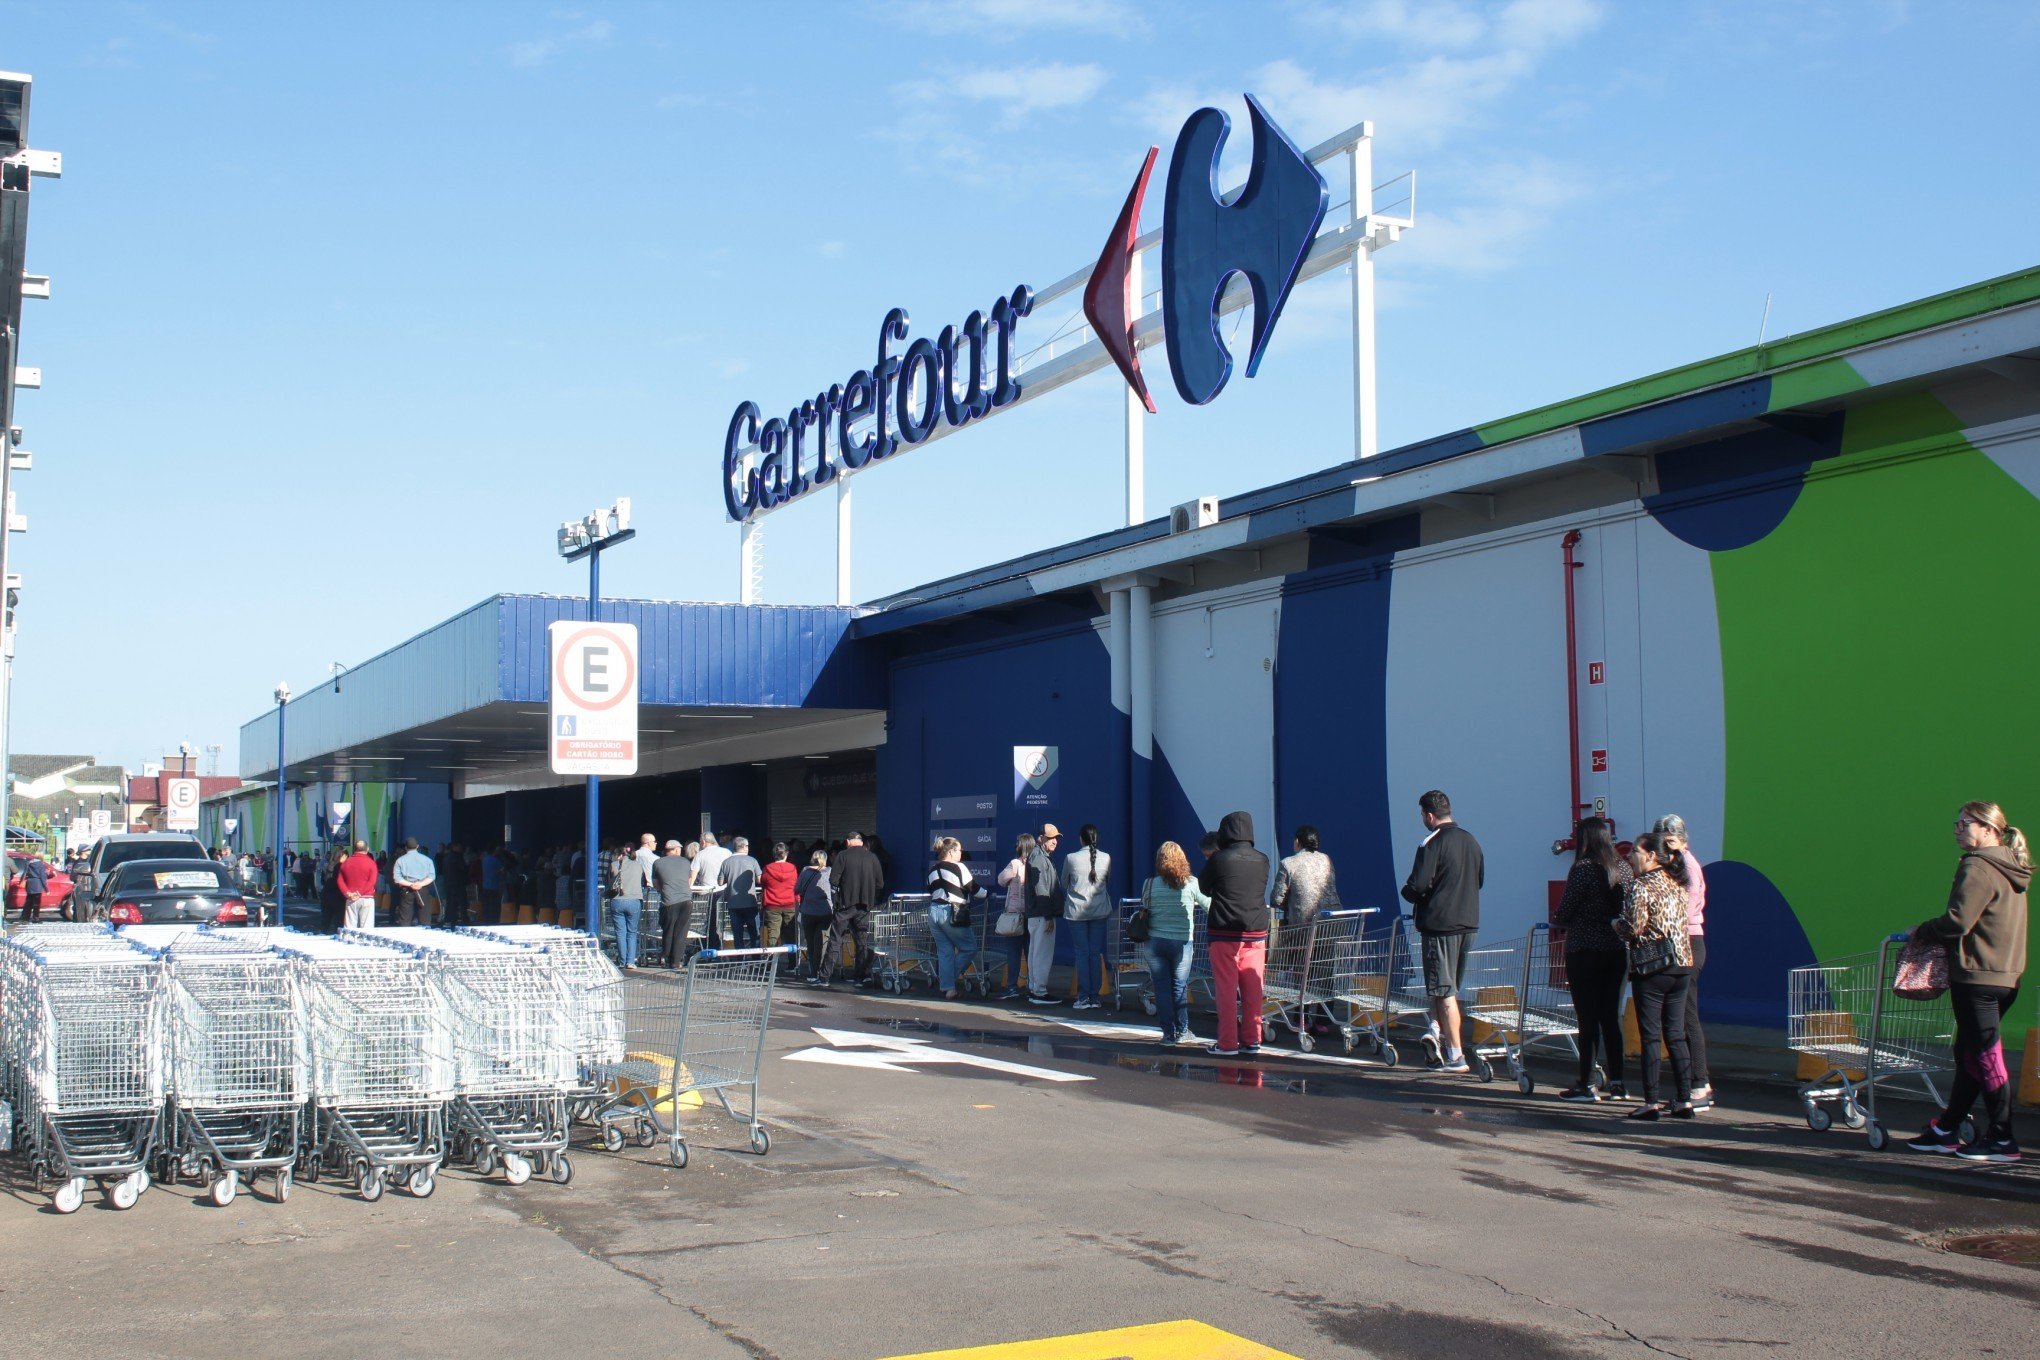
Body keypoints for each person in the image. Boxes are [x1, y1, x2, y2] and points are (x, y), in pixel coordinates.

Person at [1906, 801, 2029, 1163]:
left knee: (1986, 1056)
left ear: (1989, 829)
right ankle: (1947, 1128)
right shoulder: (2011, 865)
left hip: (1977, 975)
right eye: (1956, 823)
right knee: (1970, 1053)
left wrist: (1923, 931)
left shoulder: (1977, 865)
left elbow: (1958, 921)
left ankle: (2003, 1139)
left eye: (1966, 824)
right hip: (2005, 975)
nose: (1958, 829)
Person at [1400, 790, 1484, 1074]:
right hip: (1468, 922)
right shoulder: (1471, 841)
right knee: (1446, 987)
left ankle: (1456, 1055)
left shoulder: (1431, 843)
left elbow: (1419, 885)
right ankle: (1435, 1031)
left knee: (1443, 990)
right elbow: (1480, 879)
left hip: (1439, 925)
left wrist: (1408, 892)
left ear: (1429, 815)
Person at [1617, 831, 1696, 1121]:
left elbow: (1633, 928)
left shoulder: (1641, 886)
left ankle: (1651, 1101)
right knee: (1675, 1034)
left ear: (1650, 855)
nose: (1629, 856)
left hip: (1652, 967)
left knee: (1651, 1036)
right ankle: (1684, 1099)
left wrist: (1616, 924)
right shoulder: (1678, 883)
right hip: (1682, 964)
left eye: (1635, 852)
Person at [1552, 817, 1632, 1102]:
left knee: (1587, 1020)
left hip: (1584, 951)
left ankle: (1586, 1083)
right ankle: (1619, 1083)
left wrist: (1558, 920)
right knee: (1611, 1017)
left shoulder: (1583, 869)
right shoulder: (1623, 867)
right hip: (1615, 950)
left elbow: (1565, 911)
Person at [1200, 811, 1271, 1056]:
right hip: (1256, 930)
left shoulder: (1219, 859)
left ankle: (1228, 1043)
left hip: (1223, 931)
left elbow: (1204, 887)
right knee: (1253, 988)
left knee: (1226, 989)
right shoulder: (1262, 859)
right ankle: (1253, 1040)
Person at [1654, 814, 1712, 1108]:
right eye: (1662, 842)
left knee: (1686, 1015)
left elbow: (1684, 908)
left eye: (1672, 841)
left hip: (1687, 941)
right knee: (1678, 1015)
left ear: (1684, 841)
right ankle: (1694, 1083)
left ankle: (1699, 1083)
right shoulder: (1672, 865)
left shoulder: (1686, 865)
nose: (1667, 847)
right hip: (1681, 941)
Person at [1142, 841, 1211, 1046]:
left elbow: (1146, 907)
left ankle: (1168, 1034)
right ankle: (1183, 1030)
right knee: (1179, 987)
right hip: (1182, 941)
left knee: (1161, 987)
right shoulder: (1191, 883)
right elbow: (1209, 905)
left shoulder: (1150, 883)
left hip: (1155, 942)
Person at [1062, 824, 1113, 1010]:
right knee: (1094, 953)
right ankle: (1094, 997)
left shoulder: (1071, 858)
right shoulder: (1106, 858)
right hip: (1099, 910)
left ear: (1081, 839)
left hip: (1077, 911)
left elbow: (1064, 881)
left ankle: (1083, 997)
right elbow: (1107, 880)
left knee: (1081, 953)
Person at [823, 831, 884, 987]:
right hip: (864, 907)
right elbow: (880, 884)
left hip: (845, 906)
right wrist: (871, 898)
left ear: (848, 842)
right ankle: (859, 978)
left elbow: (833, 880)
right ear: (861, 842)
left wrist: (837, 900)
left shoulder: (843, 856)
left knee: (835, 940)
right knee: (862, 943)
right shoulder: (872, 857)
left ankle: (824, 977)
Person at [927, 837, 980, 999]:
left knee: (945, 952)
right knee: (969, 948)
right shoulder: (959, 867)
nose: (961, 853)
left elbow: (930, 889)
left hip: (934, 911)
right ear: (951, 851)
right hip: (952, 912)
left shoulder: (933, 869)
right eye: (959, 850)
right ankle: (948, 980)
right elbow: (973, 888)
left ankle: (948, 988)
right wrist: (988, 894)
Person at [993, 834, 1036, 1001]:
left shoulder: (1015, 864)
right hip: (1031, 914)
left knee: (1013, 953)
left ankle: (1012, 986)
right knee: (1031, 952)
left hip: (1015, 915)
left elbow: (1001, 880)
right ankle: (1033, 985)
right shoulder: (1035, 864)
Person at [1269, 825, 1338, 927]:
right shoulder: (1326, 860)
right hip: (1333, 925)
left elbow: (1276, 900)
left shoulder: (1288, 863)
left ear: (1297, 841)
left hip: (1304, 928)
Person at [652, 840, 695, 968]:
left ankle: (666, 958)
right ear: (676, 850)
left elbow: (655, 884)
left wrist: (664, 889)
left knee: (668, 930)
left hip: (669, 901)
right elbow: (689, 881)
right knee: (681, 932)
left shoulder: (658, 863)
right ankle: (676, 961)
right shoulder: (686, 862)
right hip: (686, 900)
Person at [719, 836, 764, 950]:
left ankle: (739, 958)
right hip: (750, 902)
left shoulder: (726, 862)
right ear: (744, 847)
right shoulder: (752, 860)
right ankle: (755, 957)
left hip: (733, 903)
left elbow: (720, 882)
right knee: (754, 932)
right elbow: (760, 880)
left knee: (737, 933)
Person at [796, 849, 834, 982]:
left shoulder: (805, 871)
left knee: (811, 943)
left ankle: (813, 972)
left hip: (808, 911)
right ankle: (820, 970)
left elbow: (797, 889)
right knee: (821, 943)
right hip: (825, 912)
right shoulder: (829, 872)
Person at [610, 842, 647, 969]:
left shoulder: (614, 865)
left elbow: (608, 882)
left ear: (619, 855)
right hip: (634, 900)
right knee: (632, 932)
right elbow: (644, 882)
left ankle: (622, 961)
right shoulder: (638, 865)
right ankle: (630, 961)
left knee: (620, 932)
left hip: (617, 901)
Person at [691, 832, 732, 948]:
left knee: (709, 924)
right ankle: (726, 948)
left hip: (708, 894)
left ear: (703, 842)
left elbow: (692, 877)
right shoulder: (727, 852)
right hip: (725, 892)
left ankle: (711, 948)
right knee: (725, 923)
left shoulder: (700, 855)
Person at [760, 841, 800, 958]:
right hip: (790, 904)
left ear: (773, 854)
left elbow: (763, 882)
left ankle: (769, 963)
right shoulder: (792, 868)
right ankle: (792, 964)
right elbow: (795, 884)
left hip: (772, 905)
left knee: (773, 934)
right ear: (786, 854)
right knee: (790, 934)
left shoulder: (768, 868)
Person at [387, 837, 433, 928]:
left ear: (405, 848)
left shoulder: (400, 860)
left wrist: (411, 884)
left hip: (407, 890)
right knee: (424, 918)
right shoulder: (427, 860)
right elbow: (432, 876)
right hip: (422, 889)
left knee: (405, 919)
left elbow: (397, 879)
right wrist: (420, 884)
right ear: (418, 847)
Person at [333, 839, 378, 929]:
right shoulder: (371, 863)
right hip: (366, 897)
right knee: (366, 927)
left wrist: (347, 893)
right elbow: (371, 882)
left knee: (349, 927)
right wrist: (359, 893)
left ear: (354, 849)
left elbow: (340, 880)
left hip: (350, 897)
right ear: (367, 849)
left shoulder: (346, 863)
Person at [20, 851, 46, 924]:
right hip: (38, 884)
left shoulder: (29, 863)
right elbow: (43, 877)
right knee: (36, 903)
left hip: (30, 884)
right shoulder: (41, 864)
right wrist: (46, 889)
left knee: (28, 902)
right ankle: (35, 918)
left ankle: (25, 918)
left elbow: (24, 873)